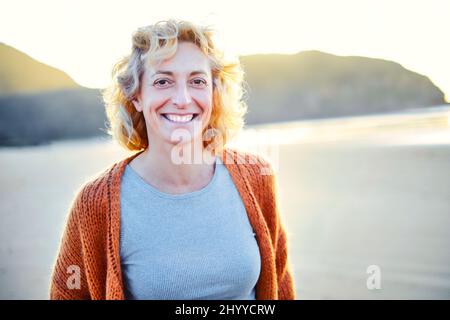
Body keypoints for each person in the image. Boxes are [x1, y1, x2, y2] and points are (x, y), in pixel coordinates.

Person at [49, 19, 296, 300]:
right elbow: (68, 293)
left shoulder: (256, 176)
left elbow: (280, 281)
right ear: (137, 96)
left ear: (214, 94)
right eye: (163, 81)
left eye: (197, 81)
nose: (182, 98)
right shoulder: (95, 203)